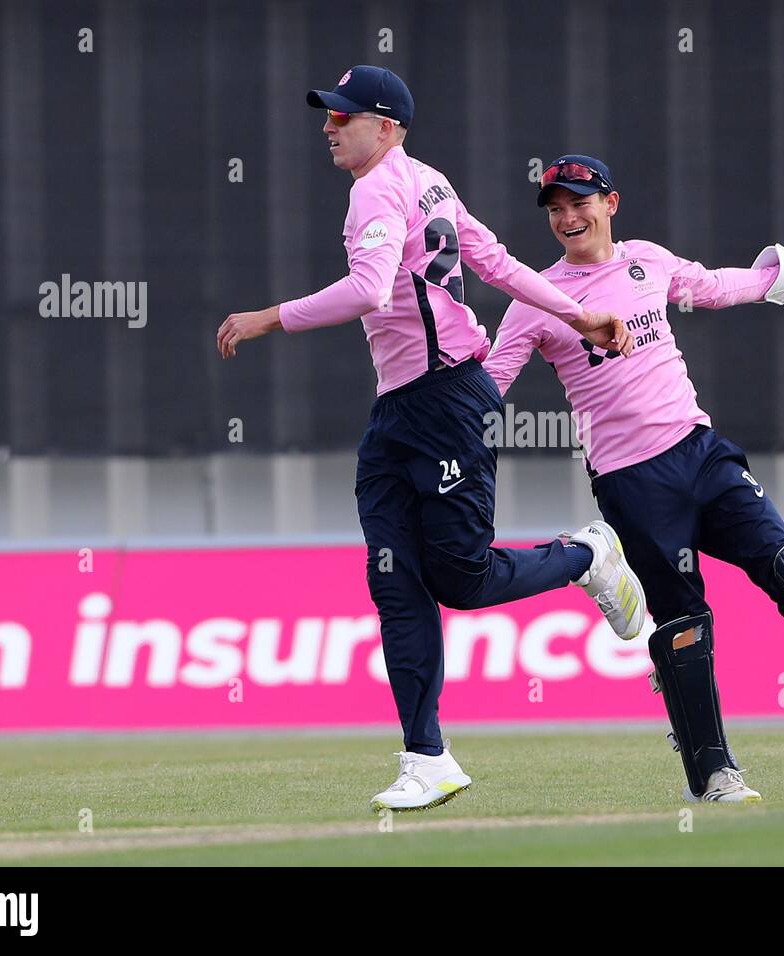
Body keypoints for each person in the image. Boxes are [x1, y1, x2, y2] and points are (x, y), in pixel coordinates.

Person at [216, 76, 647, 812]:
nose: (330, 126)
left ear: (385, 128)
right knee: (394, 582)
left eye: (343, 115)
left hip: (448, 400)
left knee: (460, 581)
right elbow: (500, 263)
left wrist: (268, 317)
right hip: (399, 414)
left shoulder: (377, 190)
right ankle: (427, 757)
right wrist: (578, 314)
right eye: (328, 114)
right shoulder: (429, 183)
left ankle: (588, 555)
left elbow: (370, 288)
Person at [483, 155, 784, 804]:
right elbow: (491, 385)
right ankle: (714, 776)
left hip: (701, 453)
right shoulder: (537, 297)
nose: (566, 217)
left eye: (578, 202)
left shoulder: (645, 260)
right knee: (686, 625)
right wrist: (438, 411)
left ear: (610, 202)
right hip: (632, 483)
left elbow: (716, 286)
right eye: (554, 207)